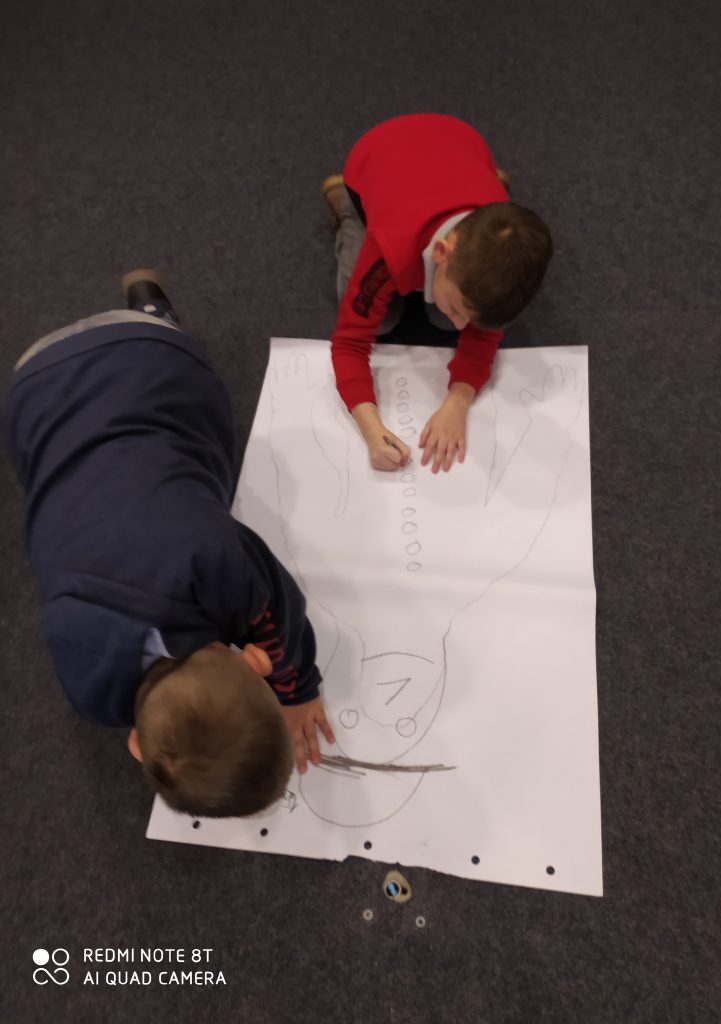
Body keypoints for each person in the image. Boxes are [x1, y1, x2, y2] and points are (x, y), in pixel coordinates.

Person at [6, 271, 334, 818]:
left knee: (202, 437)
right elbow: (277, 611)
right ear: (136, 744)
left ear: (256, 661)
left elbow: (278, 609)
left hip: (124, 362)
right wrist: (299, 688)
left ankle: (153, 312)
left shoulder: (214, 560)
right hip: (31, 391)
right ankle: (150, 314)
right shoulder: (88, 686)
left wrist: (298, 688)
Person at [323, 113, 553, 474]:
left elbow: (485, 333)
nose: (463, 325)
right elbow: (349, 343)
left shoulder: (495, 268)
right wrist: (371, 429)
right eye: (459, 308)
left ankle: (491, 184)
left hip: (460, 146)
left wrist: (458, 402)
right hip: (374, 157)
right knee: (382, 321)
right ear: (442, 252)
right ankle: (348, 209)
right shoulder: (390, 248)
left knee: (443, 321)